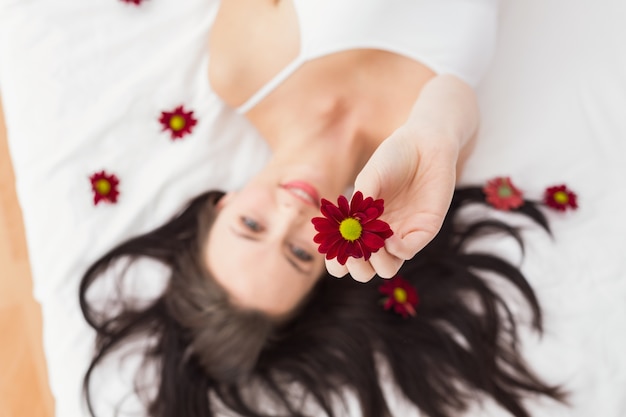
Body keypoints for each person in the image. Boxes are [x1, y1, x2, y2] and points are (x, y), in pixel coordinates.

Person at [79, 0, 565, 416]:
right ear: (325, 268)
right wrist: (436, 132)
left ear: (221, 205)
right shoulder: (423, 163)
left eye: (251, 225)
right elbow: (453, 100)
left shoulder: (241, 69)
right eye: (298, 253)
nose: (290, 212)